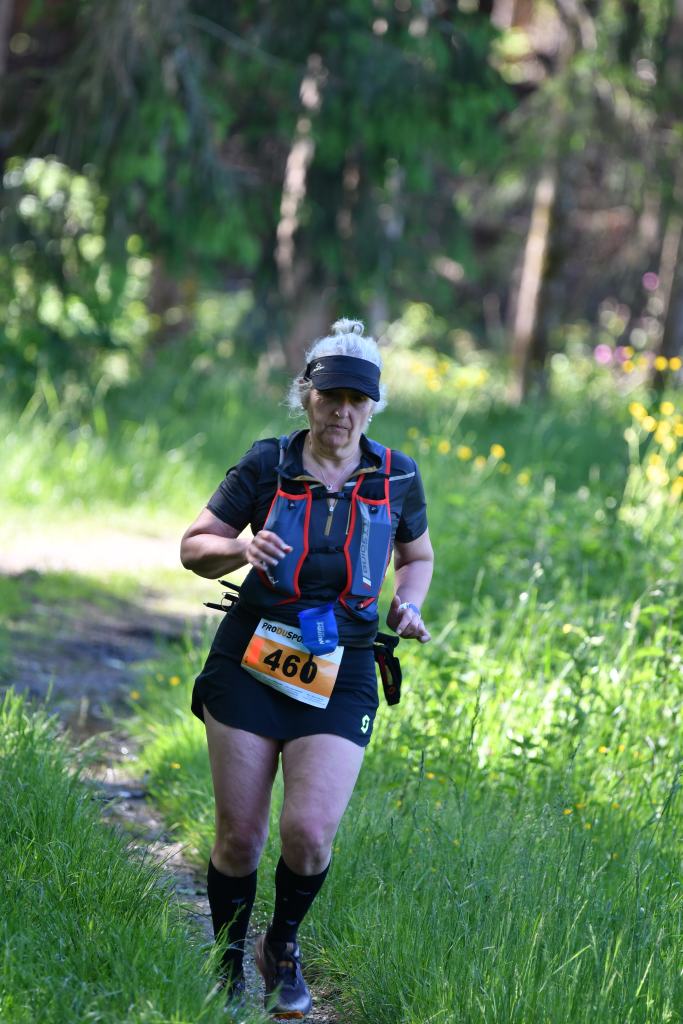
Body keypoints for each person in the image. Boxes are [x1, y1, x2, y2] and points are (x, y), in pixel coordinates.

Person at [180, 318, 433, 1018]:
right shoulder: (267, 464)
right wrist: (242, 549)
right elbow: (193, 547)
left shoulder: (398, 475)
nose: (341, 412)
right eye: (330, 397)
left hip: (343, 666)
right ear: (306, 396)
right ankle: (226, 965)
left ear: (372, 406)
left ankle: (280, 946)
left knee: (311, 834)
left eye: (356, 399)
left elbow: (416, 556)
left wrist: (407, 605)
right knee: (240, 837)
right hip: (253, 656)